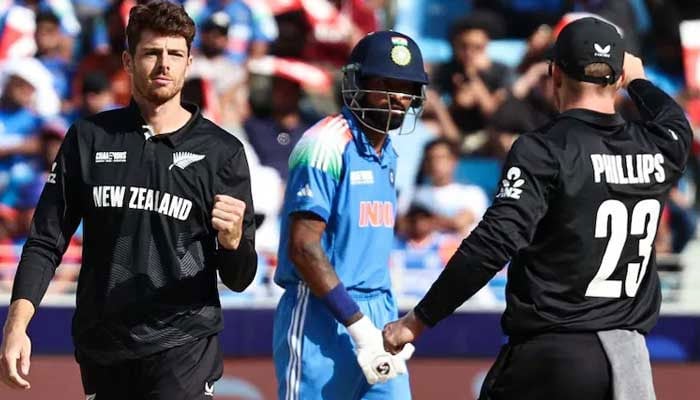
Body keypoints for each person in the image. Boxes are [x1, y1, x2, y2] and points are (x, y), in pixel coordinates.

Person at [383, 17, 692, 400]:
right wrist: (640, 82)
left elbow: (493, 243)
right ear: (617, 78)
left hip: (552, 356)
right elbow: (677, 125)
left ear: (555, 73)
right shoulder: (659, 146)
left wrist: (418, 320)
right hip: (628, 364)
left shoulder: (544, 149)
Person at [0, 2, 258, 399]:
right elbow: (45, 241)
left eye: (175, 54)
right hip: (104, 346)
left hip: (183, 344)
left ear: (189, 62)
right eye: (152, 53)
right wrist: (17, 325)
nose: (164, 65)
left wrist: (233, 240)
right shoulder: (89, 138)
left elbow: (240, 279)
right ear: (127, 61)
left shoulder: (222, 152)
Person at [273, 31, 428, 399]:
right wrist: (359, 328)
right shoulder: (325, 144)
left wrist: (380, 326)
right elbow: (303, 247)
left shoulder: (389, 154)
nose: (397, 97)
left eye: (406, 87)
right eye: (384, 84)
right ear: (357, 83)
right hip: (321, 317)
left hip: (379, 315)